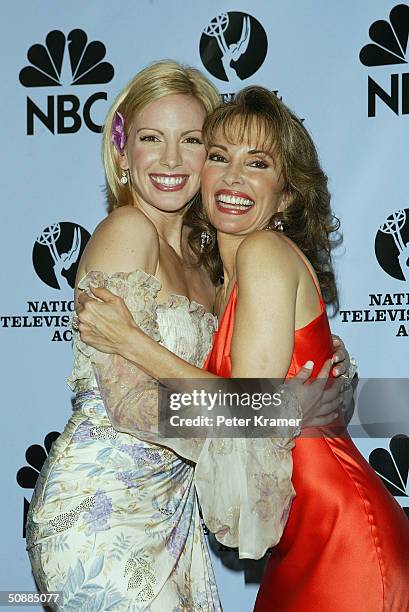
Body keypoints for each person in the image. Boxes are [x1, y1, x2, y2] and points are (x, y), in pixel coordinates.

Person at [26, 60, 348, 611]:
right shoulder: (126, 232)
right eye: (152, 139)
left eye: (193, 141)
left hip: (176, 516)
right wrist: (270, 413)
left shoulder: (209, 262)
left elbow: (247, 373)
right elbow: (132, 407)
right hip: (102, 513)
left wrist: (319, 357)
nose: (172, 160)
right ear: (123, 154)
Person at [77, 86, 409, 611]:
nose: (232, 177)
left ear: (288, 194)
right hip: (296, 536)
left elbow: (248, 407)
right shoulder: (222, 279)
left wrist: (132, 341)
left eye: (257, 163)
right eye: (218, 156)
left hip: (339, 531)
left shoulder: (261, 250)